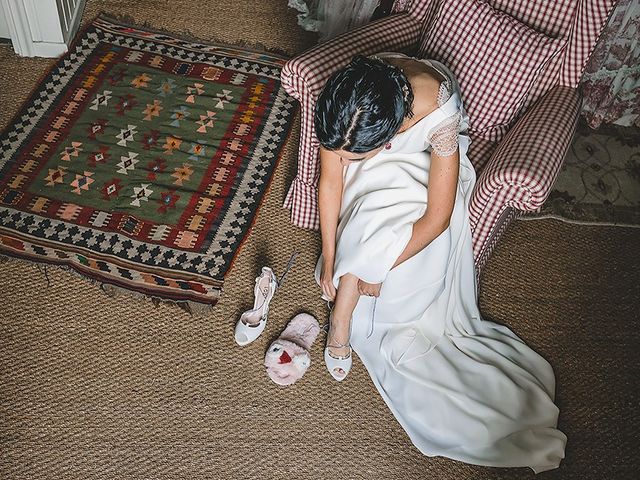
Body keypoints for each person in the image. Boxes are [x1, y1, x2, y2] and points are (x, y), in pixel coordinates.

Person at [313, 54, 567, 472]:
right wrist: (330, 255)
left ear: (390, 133)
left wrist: (385, 266)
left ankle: (348, 298)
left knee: (385, 233)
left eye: (355, 154)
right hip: (378, 164)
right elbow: (331, 178)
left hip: (423, 173)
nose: (345, 158)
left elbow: (437, 217)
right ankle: (345, 302)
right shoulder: (345, 107)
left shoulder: (438, 111)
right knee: (368, 216)